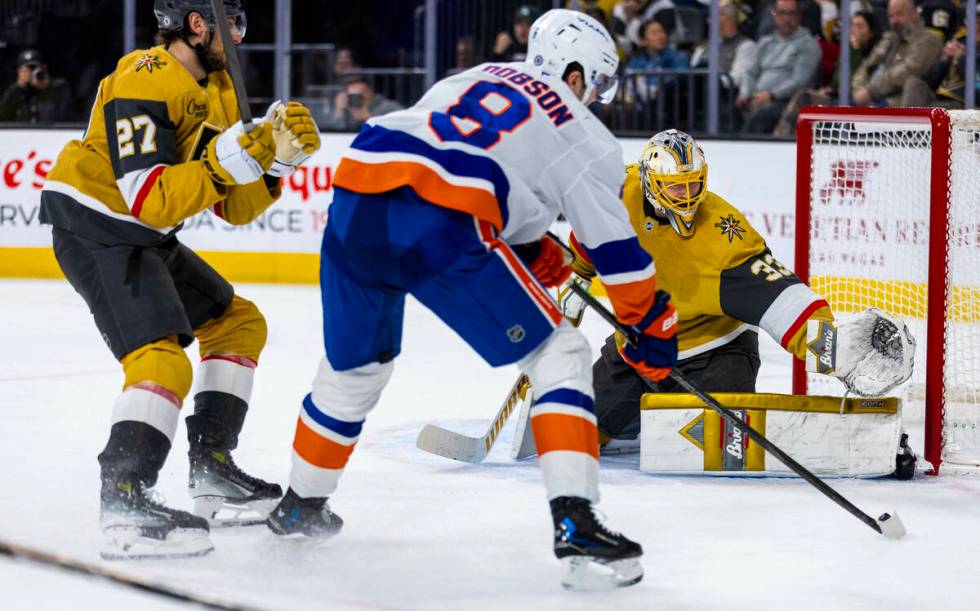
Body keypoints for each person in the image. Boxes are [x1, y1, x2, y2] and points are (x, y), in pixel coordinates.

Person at [265, 9, 678, 591]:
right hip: (440, 218)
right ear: (578, 71)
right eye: (598, 82)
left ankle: (300, 507)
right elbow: (615, 252)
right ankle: (579, 527)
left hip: (358, 189)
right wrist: (651, 324)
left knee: (352, 370)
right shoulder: (585, 133)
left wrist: (527, 244)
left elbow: (465, 152)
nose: (597, 97)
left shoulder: (478, 74)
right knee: (560, 354)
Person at [38, 0, 321, 560]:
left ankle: (212, 468)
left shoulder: (215, 90)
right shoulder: (141, 77)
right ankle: (124, 498)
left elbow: (232, 208)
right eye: (231, 23)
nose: (237, 36)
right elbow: (151, 198)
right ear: (197, 23)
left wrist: (276, 164)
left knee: (238, 325)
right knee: (161, 360)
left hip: (143, 234)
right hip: (97, 227)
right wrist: (228, 159)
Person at [566, 129, 914, 451]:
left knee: (714, 448)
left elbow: (779, 296)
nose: (687, 197)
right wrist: (578, 276)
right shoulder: (617, 194)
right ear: (649, 183)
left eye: (694, 184)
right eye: (675, 187)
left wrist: (829, 348)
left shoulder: (722, 238)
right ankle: (632, 418)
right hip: (637, 350)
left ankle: (660, 414)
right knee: (574, 435)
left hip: (715, 354)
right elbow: (591, 231)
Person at [773, 10, 881, 136]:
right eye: (852, 26)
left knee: (804, 99)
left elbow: (854, 83)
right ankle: (782, 138)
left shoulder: (876, 55)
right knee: (803, 97)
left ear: (871, 32)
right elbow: (837, 81)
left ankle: (783, 139)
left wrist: (855, 50)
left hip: (856, 102)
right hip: (836, 97)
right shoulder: (847, 50)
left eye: (860, 26)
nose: (854, 30)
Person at [737, 0, 821, 134]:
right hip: (757, 97)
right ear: (774, 16)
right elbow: (750, 72)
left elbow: (799, 82)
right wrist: (745, 92)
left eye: (791, 13)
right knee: (724, 106)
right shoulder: (765, 42)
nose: (787, 18)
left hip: (787, 102)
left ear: (799, 16)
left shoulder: (808, 44)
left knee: (763, 113)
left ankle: (743, 151)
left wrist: (771, 95)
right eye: (782, 13)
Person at [851, 0, 943, 107]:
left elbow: (910, 70)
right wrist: (859, 91)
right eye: (891, 16)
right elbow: (865, 67)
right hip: (867, 99)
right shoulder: (889, 38)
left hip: (895, 101)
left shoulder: (928, 40)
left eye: (899, 14)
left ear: (914, 14)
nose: (894, 21)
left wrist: (871, 91)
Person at [626, 16, 690, 101]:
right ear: (643, 40)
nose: (660, 36)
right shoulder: (636, 60)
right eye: (654, 33)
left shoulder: (679, 57)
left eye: (662, 31)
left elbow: (678, 82)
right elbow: (628, 82)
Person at [0, 48, 72, 123]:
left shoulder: (59, 88)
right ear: (19, 72)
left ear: (44, 68)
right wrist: (18, 88)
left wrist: (45, 87)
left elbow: (64, 117)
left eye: (34, 68)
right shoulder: (14, 92)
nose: (31, 73)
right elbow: (2, 119)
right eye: (27, 70)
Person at [323, 75, 404, 131]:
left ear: (370, 91)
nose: (357, 97)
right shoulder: (346, 110)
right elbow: (334, 131)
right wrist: (338, 111)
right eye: (353, 95)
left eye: (361, 93)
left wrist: (367, 117)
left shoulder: (388, 107)